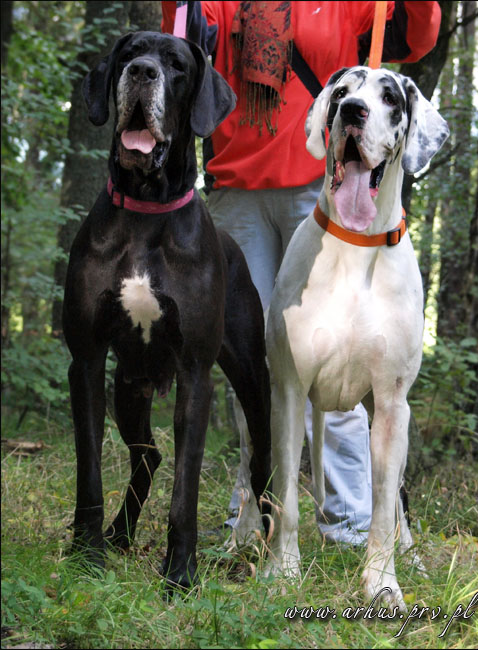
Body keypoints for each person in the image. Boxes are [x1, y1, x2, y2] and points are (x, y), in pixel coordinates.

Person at [161, 1, 441, 545]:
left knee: (343, 357)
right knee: (252, 369)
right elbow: (187, 37)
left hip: (325, 192)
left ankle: (350, 518)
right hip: (237, 194)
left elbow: (416, 36)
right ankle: (255, 514)